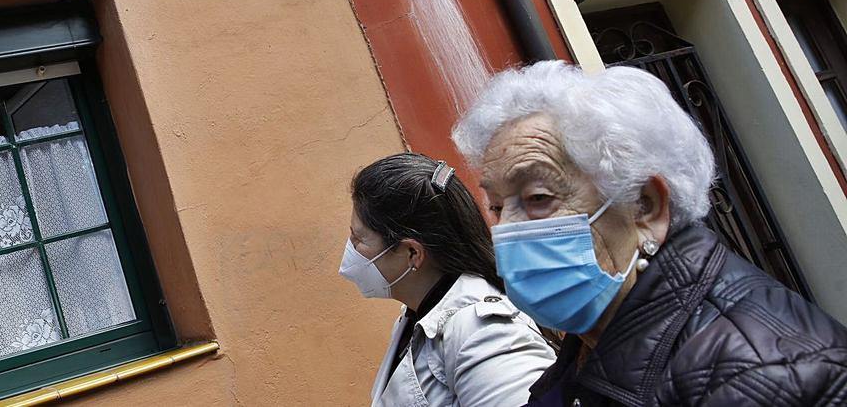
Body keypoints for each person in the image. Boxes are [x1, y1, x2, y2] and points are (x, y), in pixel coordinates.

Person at [452, 61, 847, 406]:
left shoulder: (766, 375)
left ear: (645, 206)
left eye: (538, 197)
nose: (505, 231)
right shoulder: (590, 343)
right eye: (498, 207)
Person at [341, 153, 556, 407]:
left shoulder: (486, 333)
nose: (350, 248)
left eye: (359, 239)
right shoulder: (417, 316)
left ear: (412, 253)